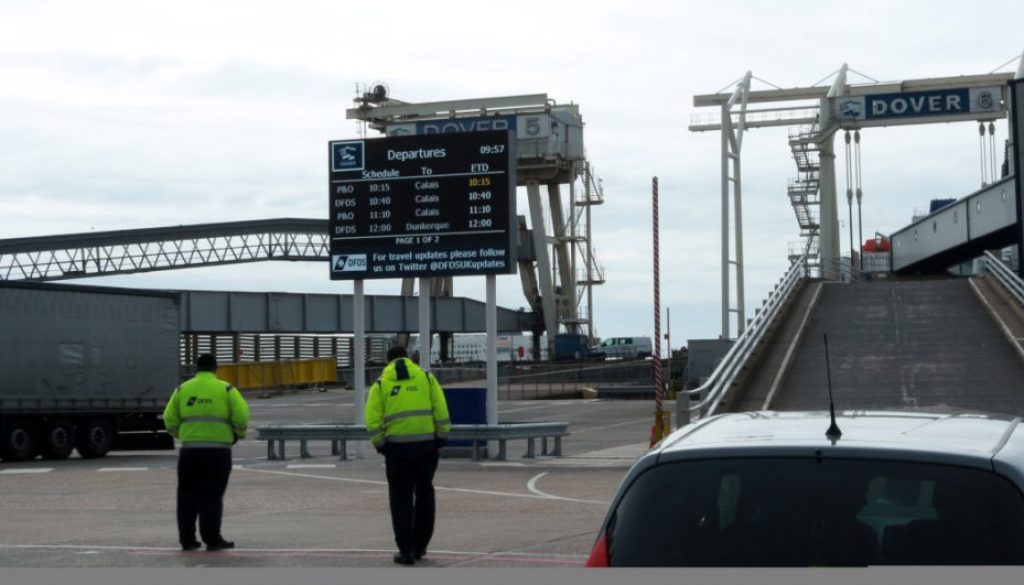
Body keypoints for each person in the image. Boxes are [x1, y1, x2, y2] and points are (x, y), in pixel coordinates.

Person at [365, 345, 451, 565]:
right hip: (426, 449)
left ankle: (406, 552)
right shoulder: (426, 379)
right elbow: (441, 410)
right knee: (425, 495)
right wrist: (440, 439)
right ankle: (421, 546)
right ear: (409, 358)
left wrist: (382, 445)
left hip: (397, 452)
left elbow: (372, 420)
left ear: (388, 361)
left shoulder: (381, 384)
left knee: (400, 500)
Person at [163, 353, 250, 552]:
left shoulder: (182, 389)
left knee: (186, 496)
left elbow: (169, 418)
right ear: (215, 368)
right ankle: (212, 539)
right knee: (212, 496)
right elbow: (242, 415)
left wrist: (184, 435)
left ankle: (187, 539)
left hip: (190, 453)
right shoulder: (226, 389)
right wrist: (238, 434)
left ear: (196, 368)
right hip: (218, 453)